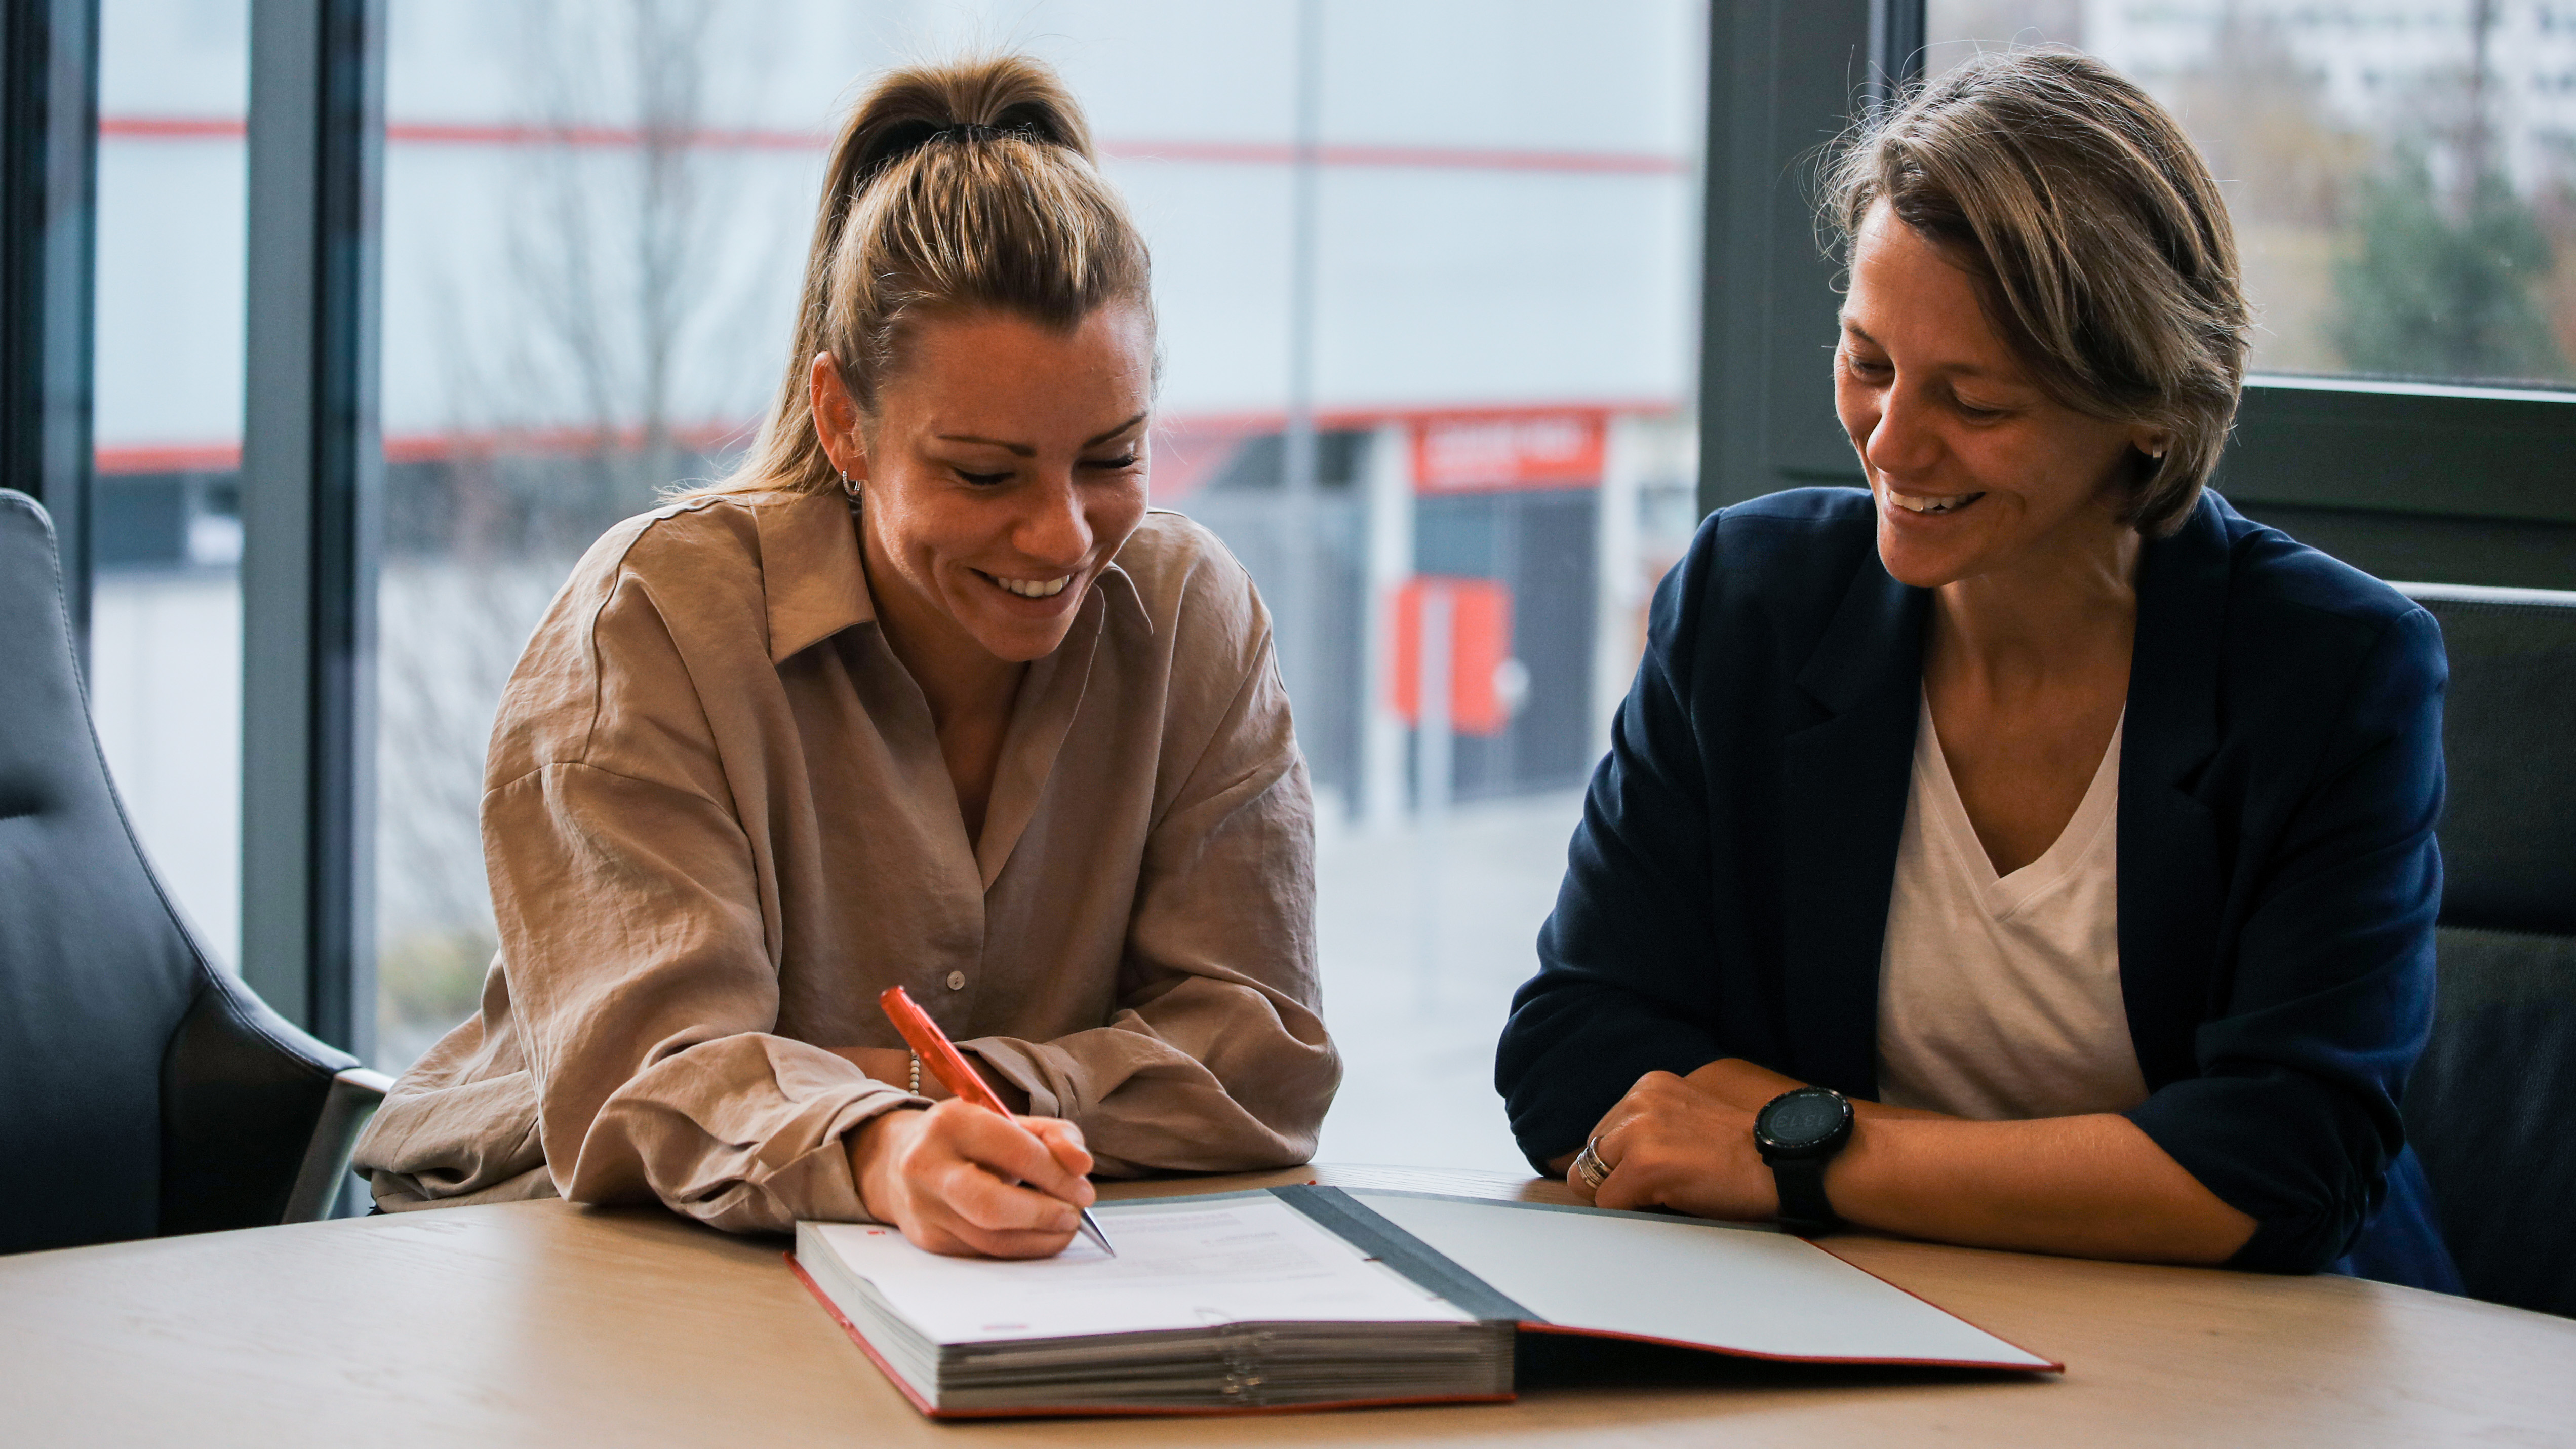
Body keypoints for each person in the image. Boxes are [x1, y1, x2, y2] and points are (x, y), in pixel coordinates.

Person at [1494, 50, 2459, 1289]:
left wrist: (1802, 1154)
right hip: (1878, 1314)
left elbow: (2286, 1163)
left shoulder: (2333, 666)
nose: (1892, 443)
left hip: (2263, 1349)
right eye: (1869, 362)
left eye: (1977, 401)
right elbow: (1573, 1051)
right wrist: (2074, 1174)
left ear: (2151, 409)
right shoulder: (1751, 599)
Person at [354, 55, 1338, 1258]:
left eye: (1112, 457)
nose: (1062, 535)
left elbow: (1262, 1067)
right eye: (984, 472)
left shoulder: (1193, 617)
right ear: (842, 421)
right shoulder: (651, 619)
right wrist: (882, 1146)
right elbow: (658, 1089)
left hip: (995, 1267)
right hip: (569, 1252)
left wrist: (908, 1092)